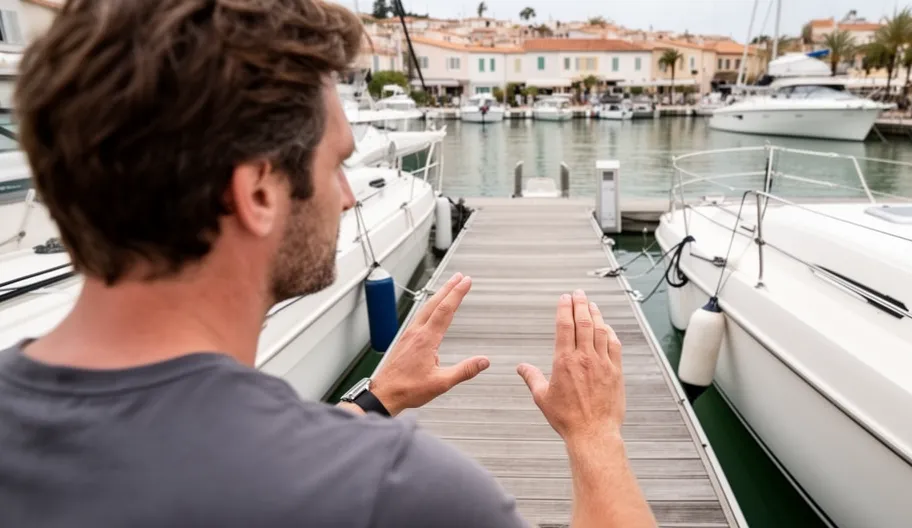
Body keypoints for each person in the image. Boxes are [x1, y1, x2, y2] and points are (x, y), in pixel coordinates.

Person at [0, 1, 657, 527]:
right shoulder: (403, 495)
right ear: (259, 193)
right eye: (338, 164)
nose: (348, 196)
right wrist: (595, 437)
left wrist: (375, 401)